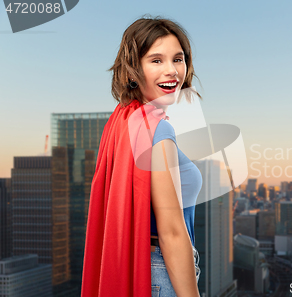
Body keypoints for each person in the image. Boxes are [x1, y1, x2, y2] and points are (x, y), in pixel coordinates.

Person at [81, 16, 202, 297]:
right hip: (163, 272)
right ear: (133, 69)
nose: (172, 71)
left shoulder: (123, 121)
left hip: (146, 267)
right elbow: (172, 231)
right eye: (156, 60)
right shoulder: (158, 129)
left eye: (178, 59)